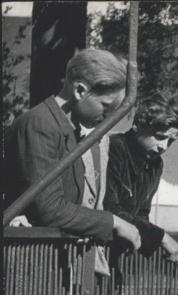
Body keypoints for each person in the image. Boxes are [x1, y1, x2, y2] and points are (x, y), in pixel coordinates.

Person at [4, 48, 140, 254]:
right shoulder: (41, 124)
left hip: (49, 256)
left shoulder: (68, 129)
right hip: (28, 256)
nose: (108, 118)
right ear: (80, 91)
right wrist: (113, 222)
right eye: (105, 106)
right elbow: (48, 208)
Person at [104, 95, 178, 264]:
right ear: (138, 125)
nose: (164, 146)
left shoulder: (155, 164)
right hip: (92, 249)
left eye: (171, 141)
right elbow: (108, 207)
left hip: (116, 255)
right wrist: (161, 237)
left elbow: (142, 213)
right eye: (159, 136)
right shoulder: (112, 149)